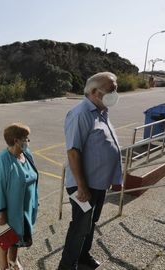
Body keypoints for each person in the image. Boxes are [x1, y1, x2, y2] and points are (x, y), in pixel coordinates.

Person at [58, 72, 122, 270]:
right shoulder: (80, 114)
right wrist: (81, 187)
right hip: (83, 186)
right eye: (111, 89)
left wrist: (113, 177)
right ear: (94, 92)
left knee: (91, 222)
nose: (115, 93)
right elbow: (73, 152)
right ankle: (68, 266)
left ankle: (83, 256)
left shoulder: (101, 111)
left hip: (98, 183)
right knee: (80, 226)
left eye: (115, 88)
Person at [0, 123, 39, 270]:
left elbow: (33, 178)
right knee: (5, 238)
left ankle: (13, 260)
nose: (27, 141)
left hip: (26, 206)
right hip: (10, 209)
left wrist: (35, 201)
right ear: (16, 140)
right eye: (25, 138)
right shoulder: (3, 160)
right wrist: (1, 212)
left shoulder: (27, 154)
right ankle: (3, 265)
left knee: (18, 236)